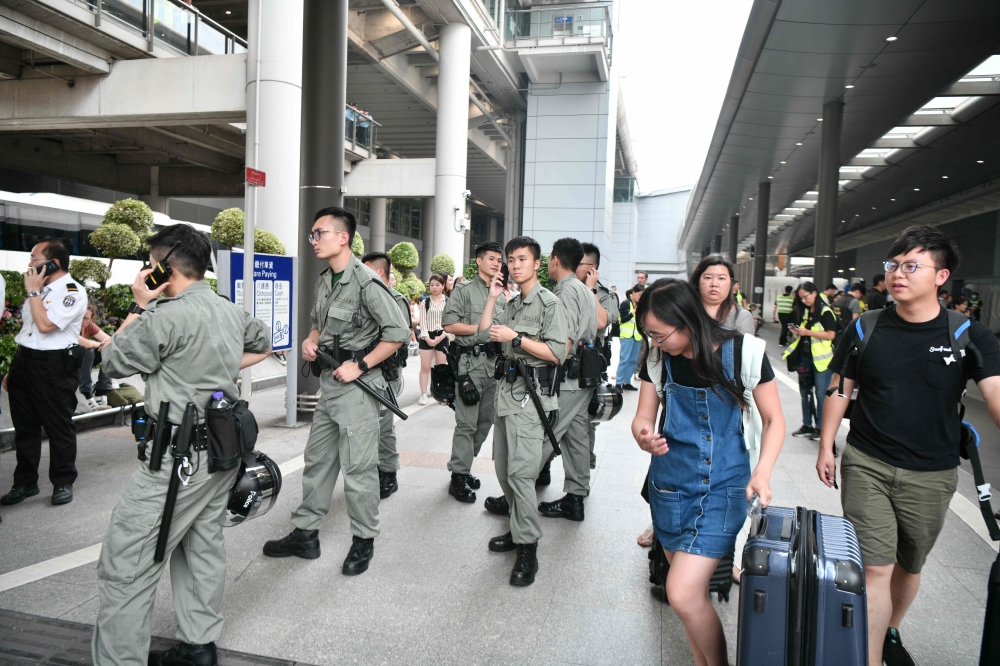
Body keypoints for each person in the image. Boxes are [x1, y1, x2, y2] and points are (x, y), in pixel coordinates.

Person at [815, 225, 1000, 666]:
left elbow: (995, 395)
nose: (898, 273)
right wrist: (827, 446)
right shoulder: (864, 327)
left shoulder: (969, 335)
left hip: (932, 473)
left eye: (911, 265)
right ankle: (872, 657)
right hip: (867, 461)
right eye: (893, 265)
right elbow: (841, 389)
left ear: (941, 276)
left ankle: (889, 628)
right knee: (874, 567)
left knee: (908, 566)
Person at [92, 223, 271, 666]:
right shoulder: (226, 309)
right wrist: (219, 368)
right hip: (219, 456)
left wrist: (139, 303)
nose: (145, 272)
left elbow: (112, 361)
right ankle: (198, 646)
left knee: (127, 562)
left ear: (163, 269)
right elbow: (264, 342)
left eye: (149, 265)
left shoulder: (163, 315)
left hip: (174, 463)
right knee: (201, 545)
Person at [632, 279, 785, 666]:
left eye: (659, 333)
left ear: (686, 321)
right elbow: (642, 419)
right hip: (669, 486)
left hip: (724, 488)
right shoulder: (657, 358)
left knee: (681, 593)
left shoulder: (744, 352)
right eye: (648, 333)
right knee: (691, 599)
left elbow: (774, 419)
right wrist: (644, 437)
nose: (654, 340)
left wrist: (762, 472)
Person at [263, 207, 408, 575]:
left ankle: (364, 541)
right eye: (312, 234)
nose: (313, 240)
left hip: (358, 388)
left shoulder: (366, 282)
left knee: (358, 469)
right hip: (331, 385)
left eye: (319, 233)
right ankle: (306, 534)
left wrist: (359, 365)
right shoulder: (326, 279)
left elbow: (397, 333)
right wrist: (310, 342)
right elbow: (317, 325)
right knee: (317, 462)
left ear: (343, 237)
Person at [480, 236, 568, 587]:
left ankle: (528, 547)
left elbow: (558, 353)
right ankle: (518, 533)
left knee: (521, 474)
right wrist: (491, 297)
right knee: (504, 470)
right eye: (510, 261)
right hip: (507, 396)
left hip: (531, 401)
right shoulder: (513, 303)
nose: (515, 266)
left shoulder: (549, 303)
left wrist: (517, 338)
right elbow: (485, 332)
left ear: (536, 263)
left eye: (522, 260)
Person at [1, 238, 86, 508]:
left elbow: (46, 325)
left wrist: (34, 292)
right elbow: (29, 331)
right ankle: (25, 482)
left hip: (53, 367)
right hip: (25, 363)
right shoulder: (41, 288)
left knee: (58, 426)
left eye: (35, 259)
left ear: (54, 263)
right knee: (25, 428)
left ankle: (63, 481)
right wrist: (15, 368)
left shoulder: (72, 291)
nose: (30, 264)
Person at [536, 238, 598, 521]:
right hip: (581, 376)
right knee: (575, 437)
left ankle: (516, 491)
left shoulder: (567, 290)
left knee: (545, 434)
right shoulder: (584, 289)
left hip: (568, 377)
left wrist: (551, 362)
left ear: (554, 260)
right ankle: (575, 498)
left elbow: (566, 338)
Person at [442, 241, 506, 503]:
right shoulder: (465, 290)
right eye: (490, 259)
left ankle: (464, 466)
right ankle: (458, 476)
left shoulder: (502, 292)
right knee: (466, 423)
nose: (495, 264)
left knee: (485, 422)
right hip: (470, 363)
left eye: (498, 260)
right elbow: (449, 324)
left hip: (494, 365)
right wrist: (482, 329)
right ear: (478, 261)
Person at [362, 251, 412, 500]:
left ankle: (388, 473)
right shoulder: (363, 295)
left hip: (386, 373)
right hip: (364, 370)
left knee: (383, 426)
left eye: (366, 268)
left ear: (379, 272)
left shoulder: (396, 299)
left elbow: (400, 337)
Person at [579, 242, 618, 471]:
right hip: (562, 363)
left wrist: (591, 290)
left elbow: (601, 322)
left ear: (592, 267)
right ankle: (543, 469)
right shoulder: (563, 289)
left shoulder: (605, 295)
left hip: (590, 366)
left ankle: (582, 473)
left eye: (580, 263)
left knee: (586, 422)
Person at [783, 281, 837, 441]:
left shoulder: (825, 312)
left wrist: (807, 332)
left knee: (821, 394)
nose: (804, 300)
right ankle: (807, 424)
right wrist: (798, 332)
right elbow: (806, 334)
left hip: (822, 361)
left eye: (805, 297)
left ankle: (821, 428)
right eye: (801, 298)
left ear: (814, 293)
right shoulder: (807, 312)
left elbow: (831, 334)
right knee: (805, 392)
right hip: (805, 358)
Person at [689, 254, 754, 335]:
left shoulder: (742, 317)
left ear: (731, 282)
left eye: (721, 278)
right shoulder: (683, 311)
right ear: (698, 280)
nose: (714, 284)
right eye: (708, 277)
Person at [417, 274, 450, 405]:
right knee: (425, 367)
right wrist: (428, 338)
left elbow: (450, 321)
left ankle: (440, 393)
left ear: (443, 286)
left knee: (441, 367)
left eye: (437, 285)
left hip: (443, 336)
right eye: (432, 285)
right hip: (427, 337)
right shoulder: (425, 302)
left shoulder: (448, 301)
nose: (434, 287)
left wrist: (441, 336)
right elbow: (422, 322)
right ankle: (423, 394)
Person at [78, 303, 114, 411]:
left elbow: (110, 340)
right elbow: (86, 344)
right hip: (66, 362)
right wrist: (100, 344)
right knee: (88, 351)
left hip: (81, 362)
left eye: (86, 318)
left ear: (91, 319)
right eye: (80, 317)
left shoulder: (89, 326)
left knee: (109, 349)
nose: (82, 321)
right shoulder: (70, 325)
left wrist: (105, 345)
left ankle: (101, 392)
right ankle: (86, 393)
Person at [616, 284, 645, 390]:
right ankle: (618, 383)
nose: (640, 297)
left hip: (637, 336)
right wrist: (633, 312)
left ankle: (626, 382)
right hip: (626, 336)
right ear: (633, 293)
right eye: (639, 294)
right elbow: (623, 319)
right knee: (624, 359)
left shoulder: (640, 305)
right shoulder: (625, 303)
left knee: (633, 360)